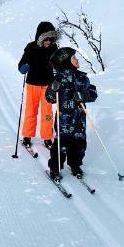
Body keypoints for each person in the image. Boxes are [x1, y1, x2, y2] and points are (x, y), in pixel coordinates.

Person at [45, 47, 97, 180]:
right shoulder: (58, 80)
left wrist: (84, 95)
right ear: (66, 62)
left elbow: (93, 94)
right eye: (73, 58)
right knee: (60, 146)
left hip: (79, 119)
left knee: (79, 144)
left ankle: (75, 164)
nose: (77, 59)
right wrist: (52, 89)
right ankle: (55, 168)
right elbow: (49, 98)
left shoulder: (82, 77)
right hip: (64, 121)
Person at [17, 21, 59, 148]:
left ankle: (47, 137)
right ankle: (27, 136)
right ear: (40, 37)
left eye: (51, 39)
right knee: (31, 110)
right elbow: (21, 64)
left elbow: (58, 64)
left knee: (47, 113)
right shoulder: (31, 47)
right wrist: (23, 67)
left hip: (48, 85)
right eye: (46, 39)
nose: (48, 42)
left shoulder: (54, 48)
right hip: (33, 84)